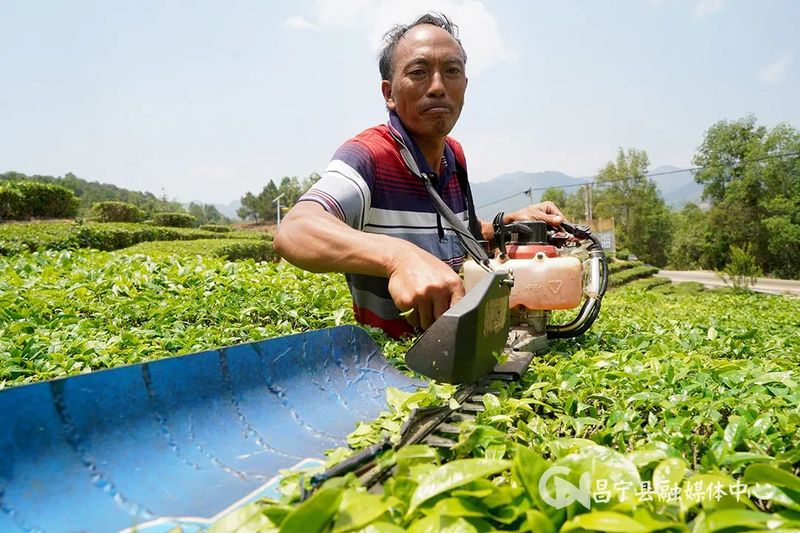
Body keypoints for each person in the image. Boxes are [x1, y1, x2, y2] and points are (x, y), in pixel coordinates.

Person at [274, 13, 564, 338]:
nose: (438, 87)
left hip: (459, 346)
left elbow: (453, 233)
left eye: (451, 71)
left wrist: (504, 225)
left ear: (465, 86)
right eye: (419, 72)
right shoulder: (369, 155)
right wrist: (399, 258)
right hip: (392, 360)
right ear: (389, 93)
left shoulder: (454, 155)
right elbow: (296, 229)